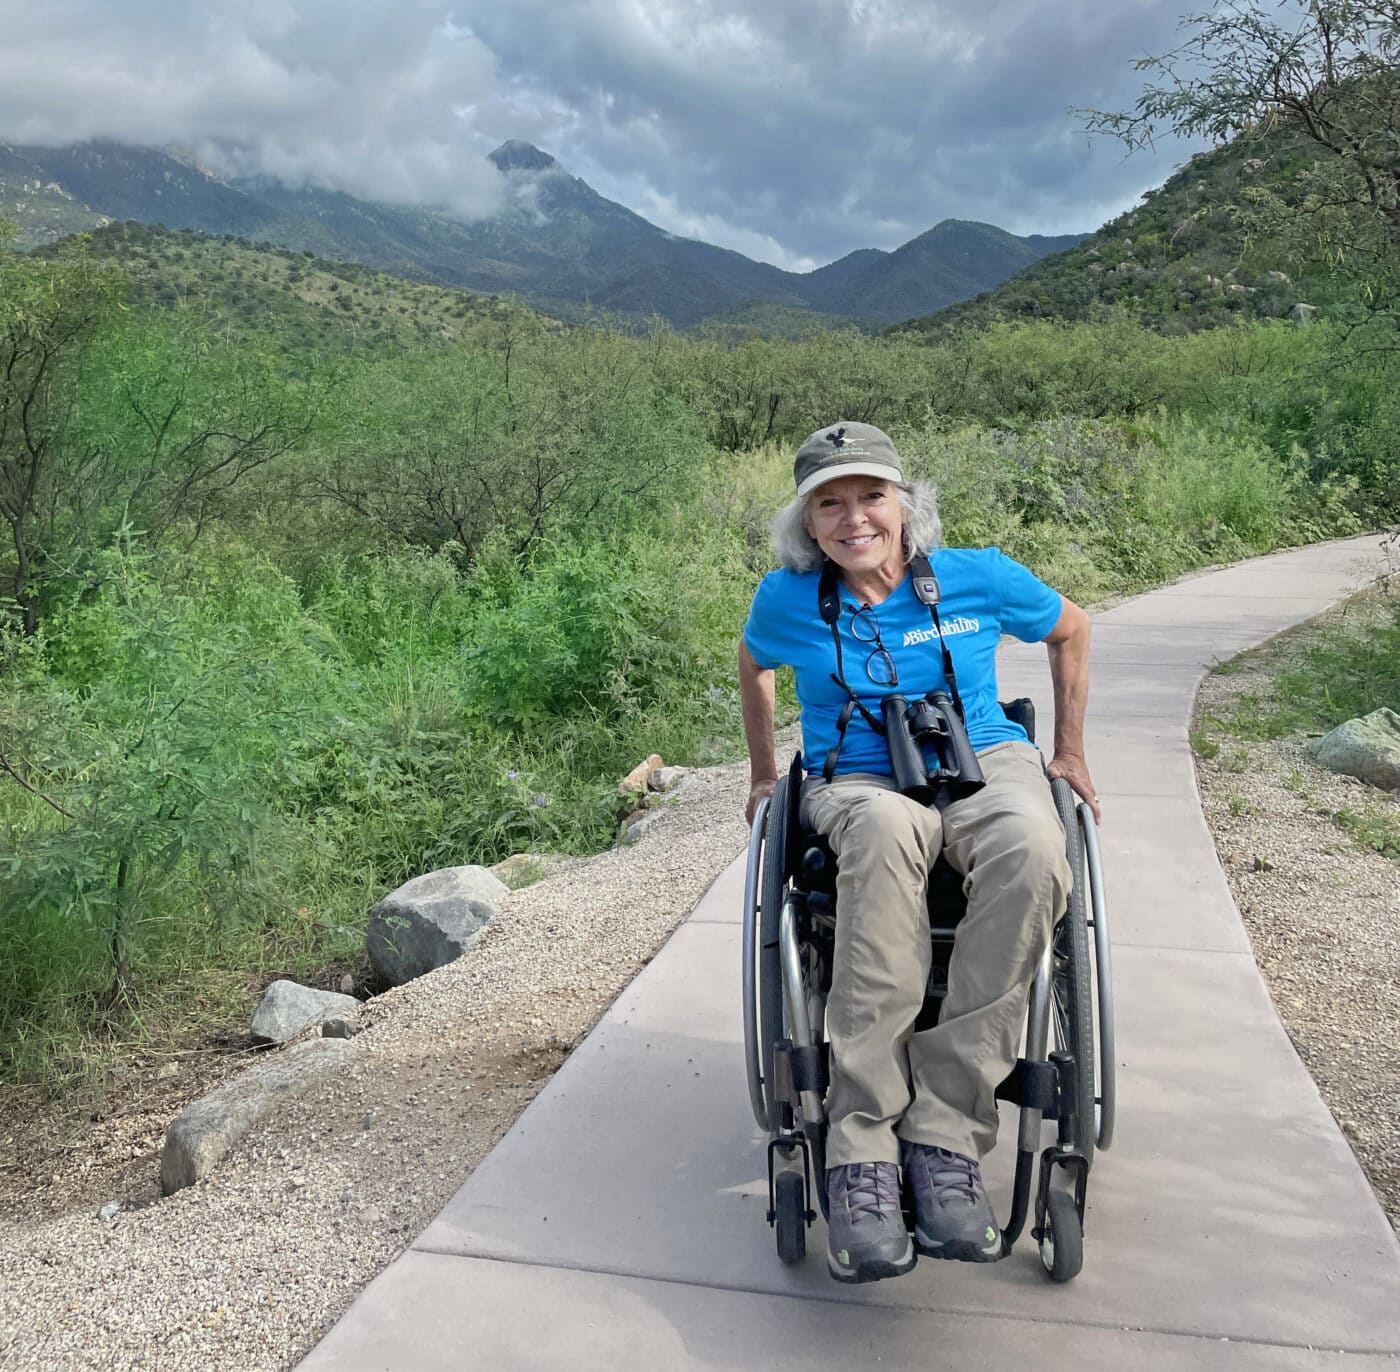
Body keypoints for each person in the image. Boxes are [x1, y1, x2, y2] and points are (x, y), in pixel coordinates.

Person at [739, 421, 1097, 1285]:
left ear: (904, 504)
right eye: (830, 503)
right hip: (857, 775)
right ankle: (862, 1146)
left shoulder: (979, 575)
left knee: (1034, 846)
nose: (854, 517)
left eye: (871, 495)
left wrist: (1071, 752)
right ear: (807, 523)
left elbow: (1072, 627)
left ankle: (944, 1132)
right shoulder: (788, 598)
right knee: (887, 830)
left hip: (984, 759)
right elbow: (753, 663)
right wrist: (762, 774)